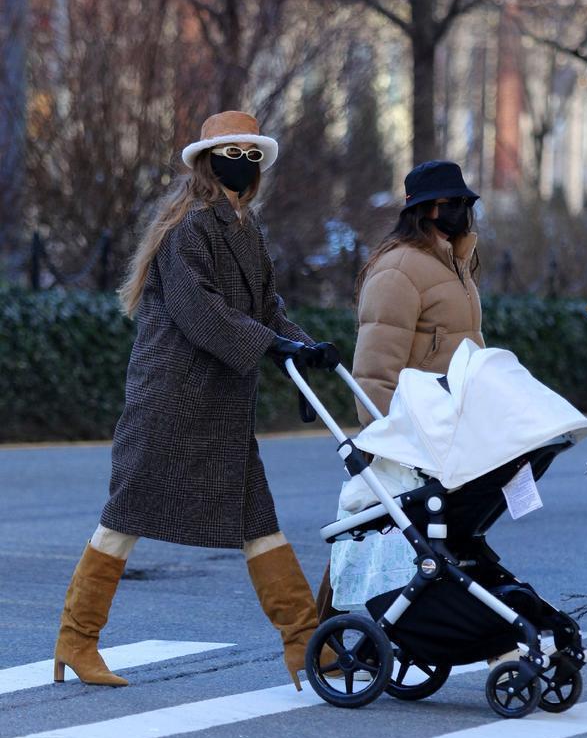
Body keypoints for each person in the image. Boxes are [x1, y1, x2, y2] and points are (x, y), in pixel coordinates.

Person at [53, 110, 339, 691]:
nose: (244, 163)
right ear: (207, 160)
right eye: (232, 152)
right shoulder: (188, 229)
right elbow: (200, 311)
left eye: (252, 154)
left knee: (259, 521)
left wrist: (305, 347)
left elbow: (264, 306)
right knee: (124, 517)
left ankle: (306, 646)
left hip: (221, 400)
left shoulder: (246, 229)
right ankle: (76, 640)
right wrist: (272, 343)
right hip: (171, 397)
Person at [316, 159, 483, 622]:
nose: (464, 212)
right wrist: (388, 433)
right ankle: (328, 627)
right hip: (412, 432)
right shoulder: (399, 269)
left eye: (467, 204)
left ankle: (444, 628)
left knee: (440, 535)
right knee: (385, 527)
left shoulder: (455, 263)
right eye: (455, 204)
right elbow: (374, 366)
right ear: (428, 210)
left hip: (447, 429)